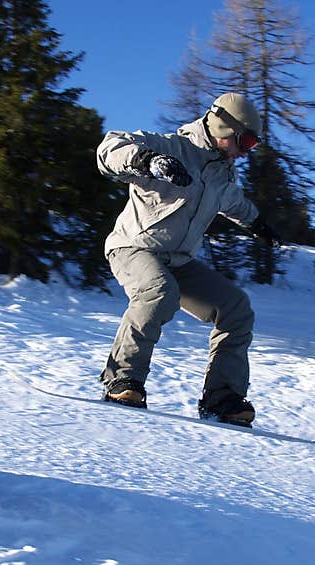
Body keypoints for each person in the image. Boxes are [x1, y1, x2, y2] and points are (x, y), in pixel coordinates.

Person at [95, 92, 278, 426]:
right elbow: (108, 148)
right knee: (158, 293)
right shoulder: (169, 147)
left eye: (253, 145)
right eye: (246, 141)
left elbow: (233, 202)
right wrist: (147, 161)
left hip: (178, 260)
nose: (246, 151)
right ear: (225, 128)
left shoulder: (222, 174)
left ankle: (222, 399)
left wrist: (257, 223)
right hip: (134, 247)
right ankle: (123, 381)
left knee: (236, 308)